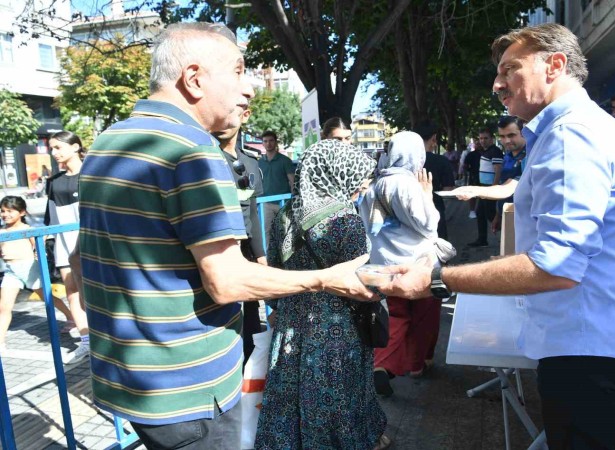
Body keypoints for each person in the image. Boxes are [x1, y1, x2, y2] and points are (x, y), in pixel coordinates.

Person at [78, 22, 377, 449]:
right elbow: (227, 281)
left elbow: (81, 259)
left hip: (125, 381)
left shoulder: (109, 141)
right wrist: (324, 279)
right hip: (189, 391)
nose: (249, 88)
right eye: (238, 71)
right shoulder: (193, 151)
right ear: (194, 79)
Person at [379, 23, 615, 450]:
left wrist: (436, 279)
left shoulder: (571, 134)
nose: (497, 84)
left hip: (589, 345)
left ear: (555, 65)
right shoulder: (567, 130)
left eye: (510, 69)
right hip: (589, 340)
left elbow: (556, 266)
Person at [255, 139, 389, 450]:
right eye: (355, 176)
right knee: (339, 396)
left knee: (289, 397)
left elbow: (274, 269)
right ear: (334, 172)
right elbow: (361, 282)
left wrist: (276, 308)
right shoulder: (345, 221)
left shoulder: (284, 217)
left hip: (289, 325)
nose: (359, 185)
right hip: (337, 329)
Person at [358, 131, 452, 398]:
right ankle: (417, 364)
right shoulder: (408, 184)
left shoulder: (374, 184)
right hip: (419, 265)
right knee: (424, 316)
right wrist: (427, 195)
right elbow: (428, 224)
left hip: (384, 264)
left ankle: (382, 365)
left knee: (396, 317)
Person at [212, 108, 268, 367]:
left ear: (245, 115)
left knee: (251, 316)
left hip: (245, 250)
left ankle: (249, 372)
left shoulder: (251, 162)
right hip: (216, 249)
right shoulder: (206, 159)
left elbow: (252, 212)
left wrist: (261, 256)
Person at [0, 196, 71, 355]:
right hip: (11, 271)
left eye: (10, 211)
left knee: (48, 298)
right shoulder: (2, 231)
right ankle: (0, 341)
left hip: (29, 269)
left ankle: (71, 317)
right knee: (4, 307)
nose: (5, 214)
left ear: (22, 212)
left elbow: (39, 245)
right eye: (2, 211)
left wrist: (39, 253)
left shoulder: (28, 229)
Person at [45, 131, 89, 364]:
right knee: (72, 290)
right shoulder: (54, 182)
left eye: (58, 147)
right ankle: (86, 340)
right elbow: (51, 218)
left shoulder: (92, 174)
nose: (54, 153)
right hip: (64, 241)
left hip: (90, 240)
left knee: (97, 289)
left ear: (75, 147)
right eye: (51, 148)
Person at [417, 122, 455, 240]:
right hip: (435, 208)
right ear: (434, 138)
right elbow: (448, 189)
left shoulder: (405, 163)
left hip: (408, 213)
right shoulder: (441, 161)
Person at [469, 126, 503, 247]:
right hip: (484, 188)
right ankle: (482, 240)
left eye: (486, 138)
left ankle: (508, 237)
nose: (483, 140)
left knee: (492, 215)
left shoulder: (495, 151)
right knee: (480, 213)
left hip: (490, 189)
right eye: (481, 138)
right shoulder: (486, 151)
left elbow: (498, 170)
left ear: (492, 139)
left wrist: (494, 188)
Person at [259, 130, 295, 238]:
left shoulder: (285, 160)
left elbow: (292, 181)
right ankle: (268, 251)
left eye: (271, 140)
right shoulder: (259, 162)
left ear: (275, 142)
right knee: (266, 232)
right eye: (265, 141)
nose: (268, 143)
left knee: (286, 231)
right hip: (265, 203)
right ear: (262, 143)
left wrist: (293, 200)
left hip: (283, 202)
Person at [462, 138, 483, 219]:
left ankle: (482, 210)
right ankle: (472, 211)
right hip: (473, 176)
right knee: (472, 194)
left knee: (483, 194)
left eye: (479, 143)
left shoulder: (487, 153)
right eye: (477, 144)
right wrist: (468, 172)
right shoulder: (471, 154)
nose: (479, 145)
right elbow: (465, 165)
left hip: (485, 177)